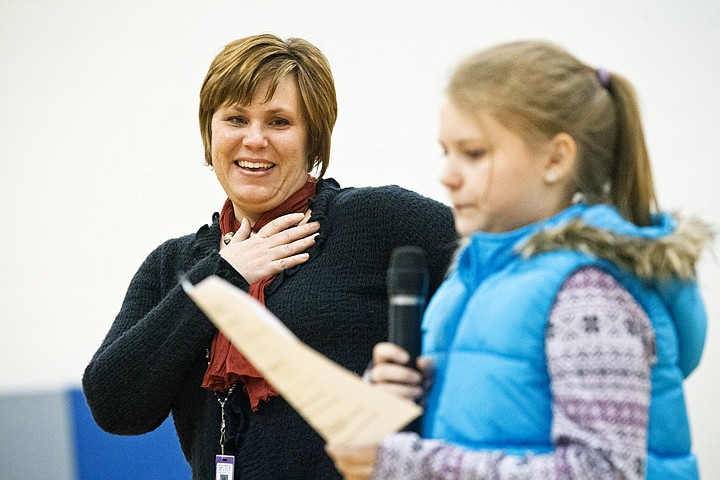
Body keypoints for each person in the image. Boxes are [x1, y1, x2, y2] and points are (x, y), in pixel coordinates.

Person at [326, 40, 713, 480]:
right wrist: (402, 394)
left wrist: (408, 465)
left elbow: (606, 471)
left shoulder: (588, 292)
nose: (448, 175)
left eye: (473, 153)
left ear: (555, 158)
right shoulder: (467, 282)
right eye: (445, 151)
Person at [82, 33, 457, 480]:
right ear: (211, 133)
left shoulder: (376, 219)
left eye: (279, 122)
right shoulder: (173, 265)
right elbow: (116, 407)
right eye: (236, 119)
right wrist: (223, 277)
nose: (254, 140)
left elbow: (500, 266)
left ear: (312, 139)